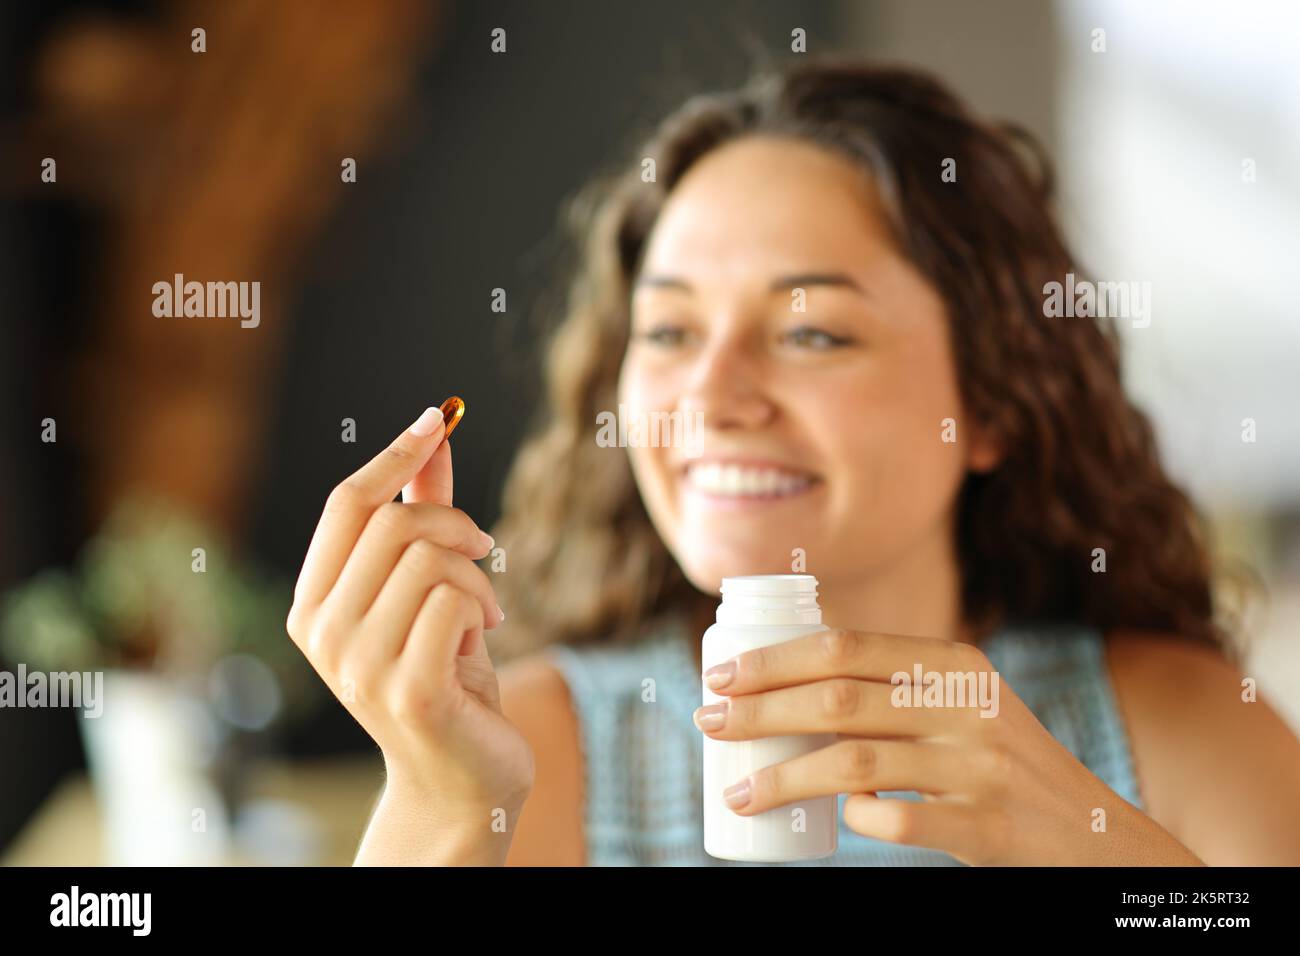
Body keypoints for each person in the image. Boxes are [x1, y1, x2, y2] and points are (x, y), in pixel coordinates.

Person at [285, 58, 1300, 866]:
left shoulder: (1181, 725)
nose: (714, 397)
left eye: (811, 333)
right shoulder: (534, 751)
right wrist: (445, 803)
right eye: (671, 331)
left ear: (992, 400)